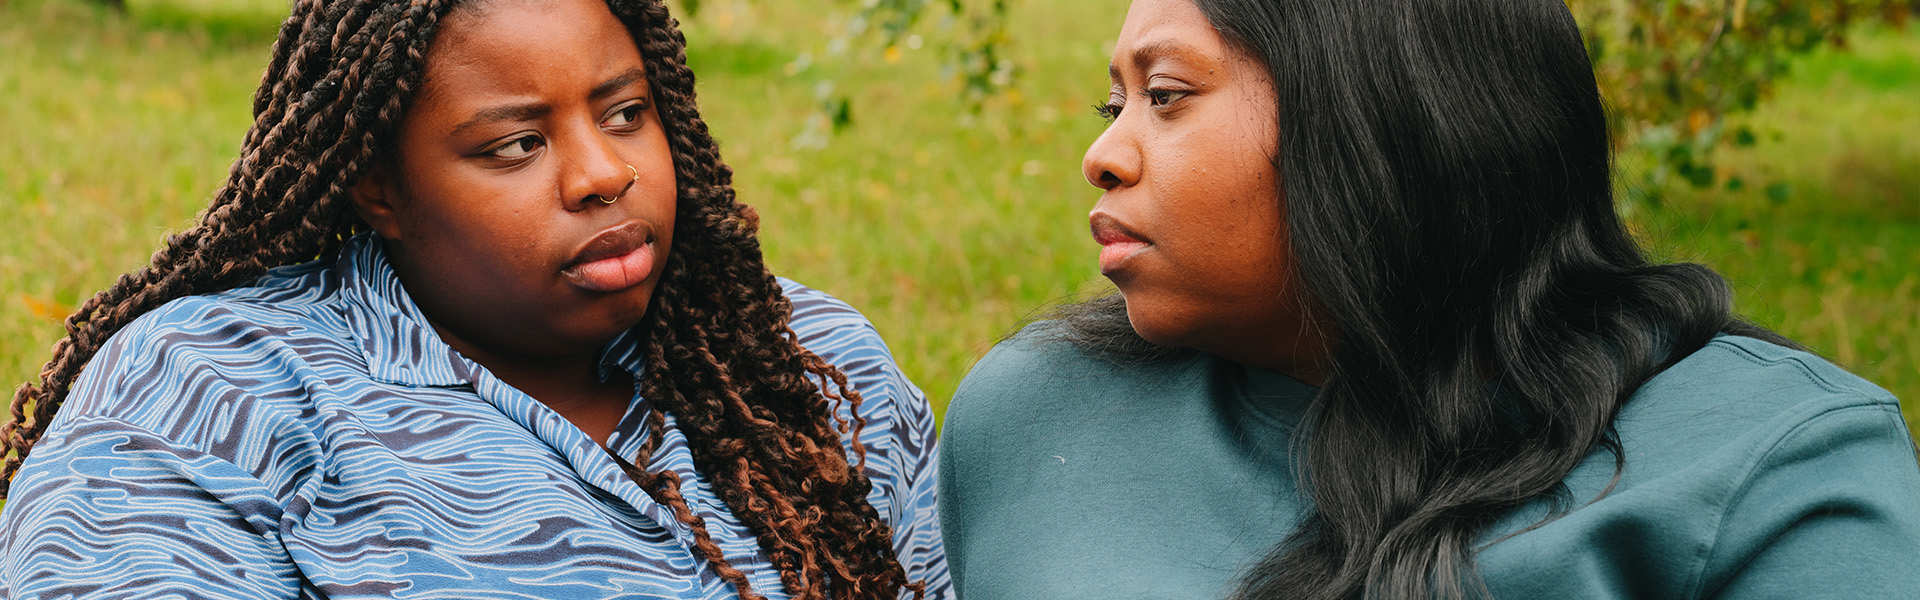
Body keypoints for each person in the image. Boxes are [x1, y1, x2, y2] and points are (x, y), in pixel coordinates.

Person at [937, 0, 1920, 598]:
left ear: (1380, 122)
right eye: (1115, 105)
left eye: (1166, 95)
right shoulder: (1035, 413)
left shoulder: (1772, 470)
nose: (1103, 155)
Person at [0, 0, 947, 597]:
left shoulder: (808, 359)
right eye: (515, 146)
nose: (602, 174)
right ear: (378, 186)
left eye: (625, 114)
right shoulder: (213, 390)